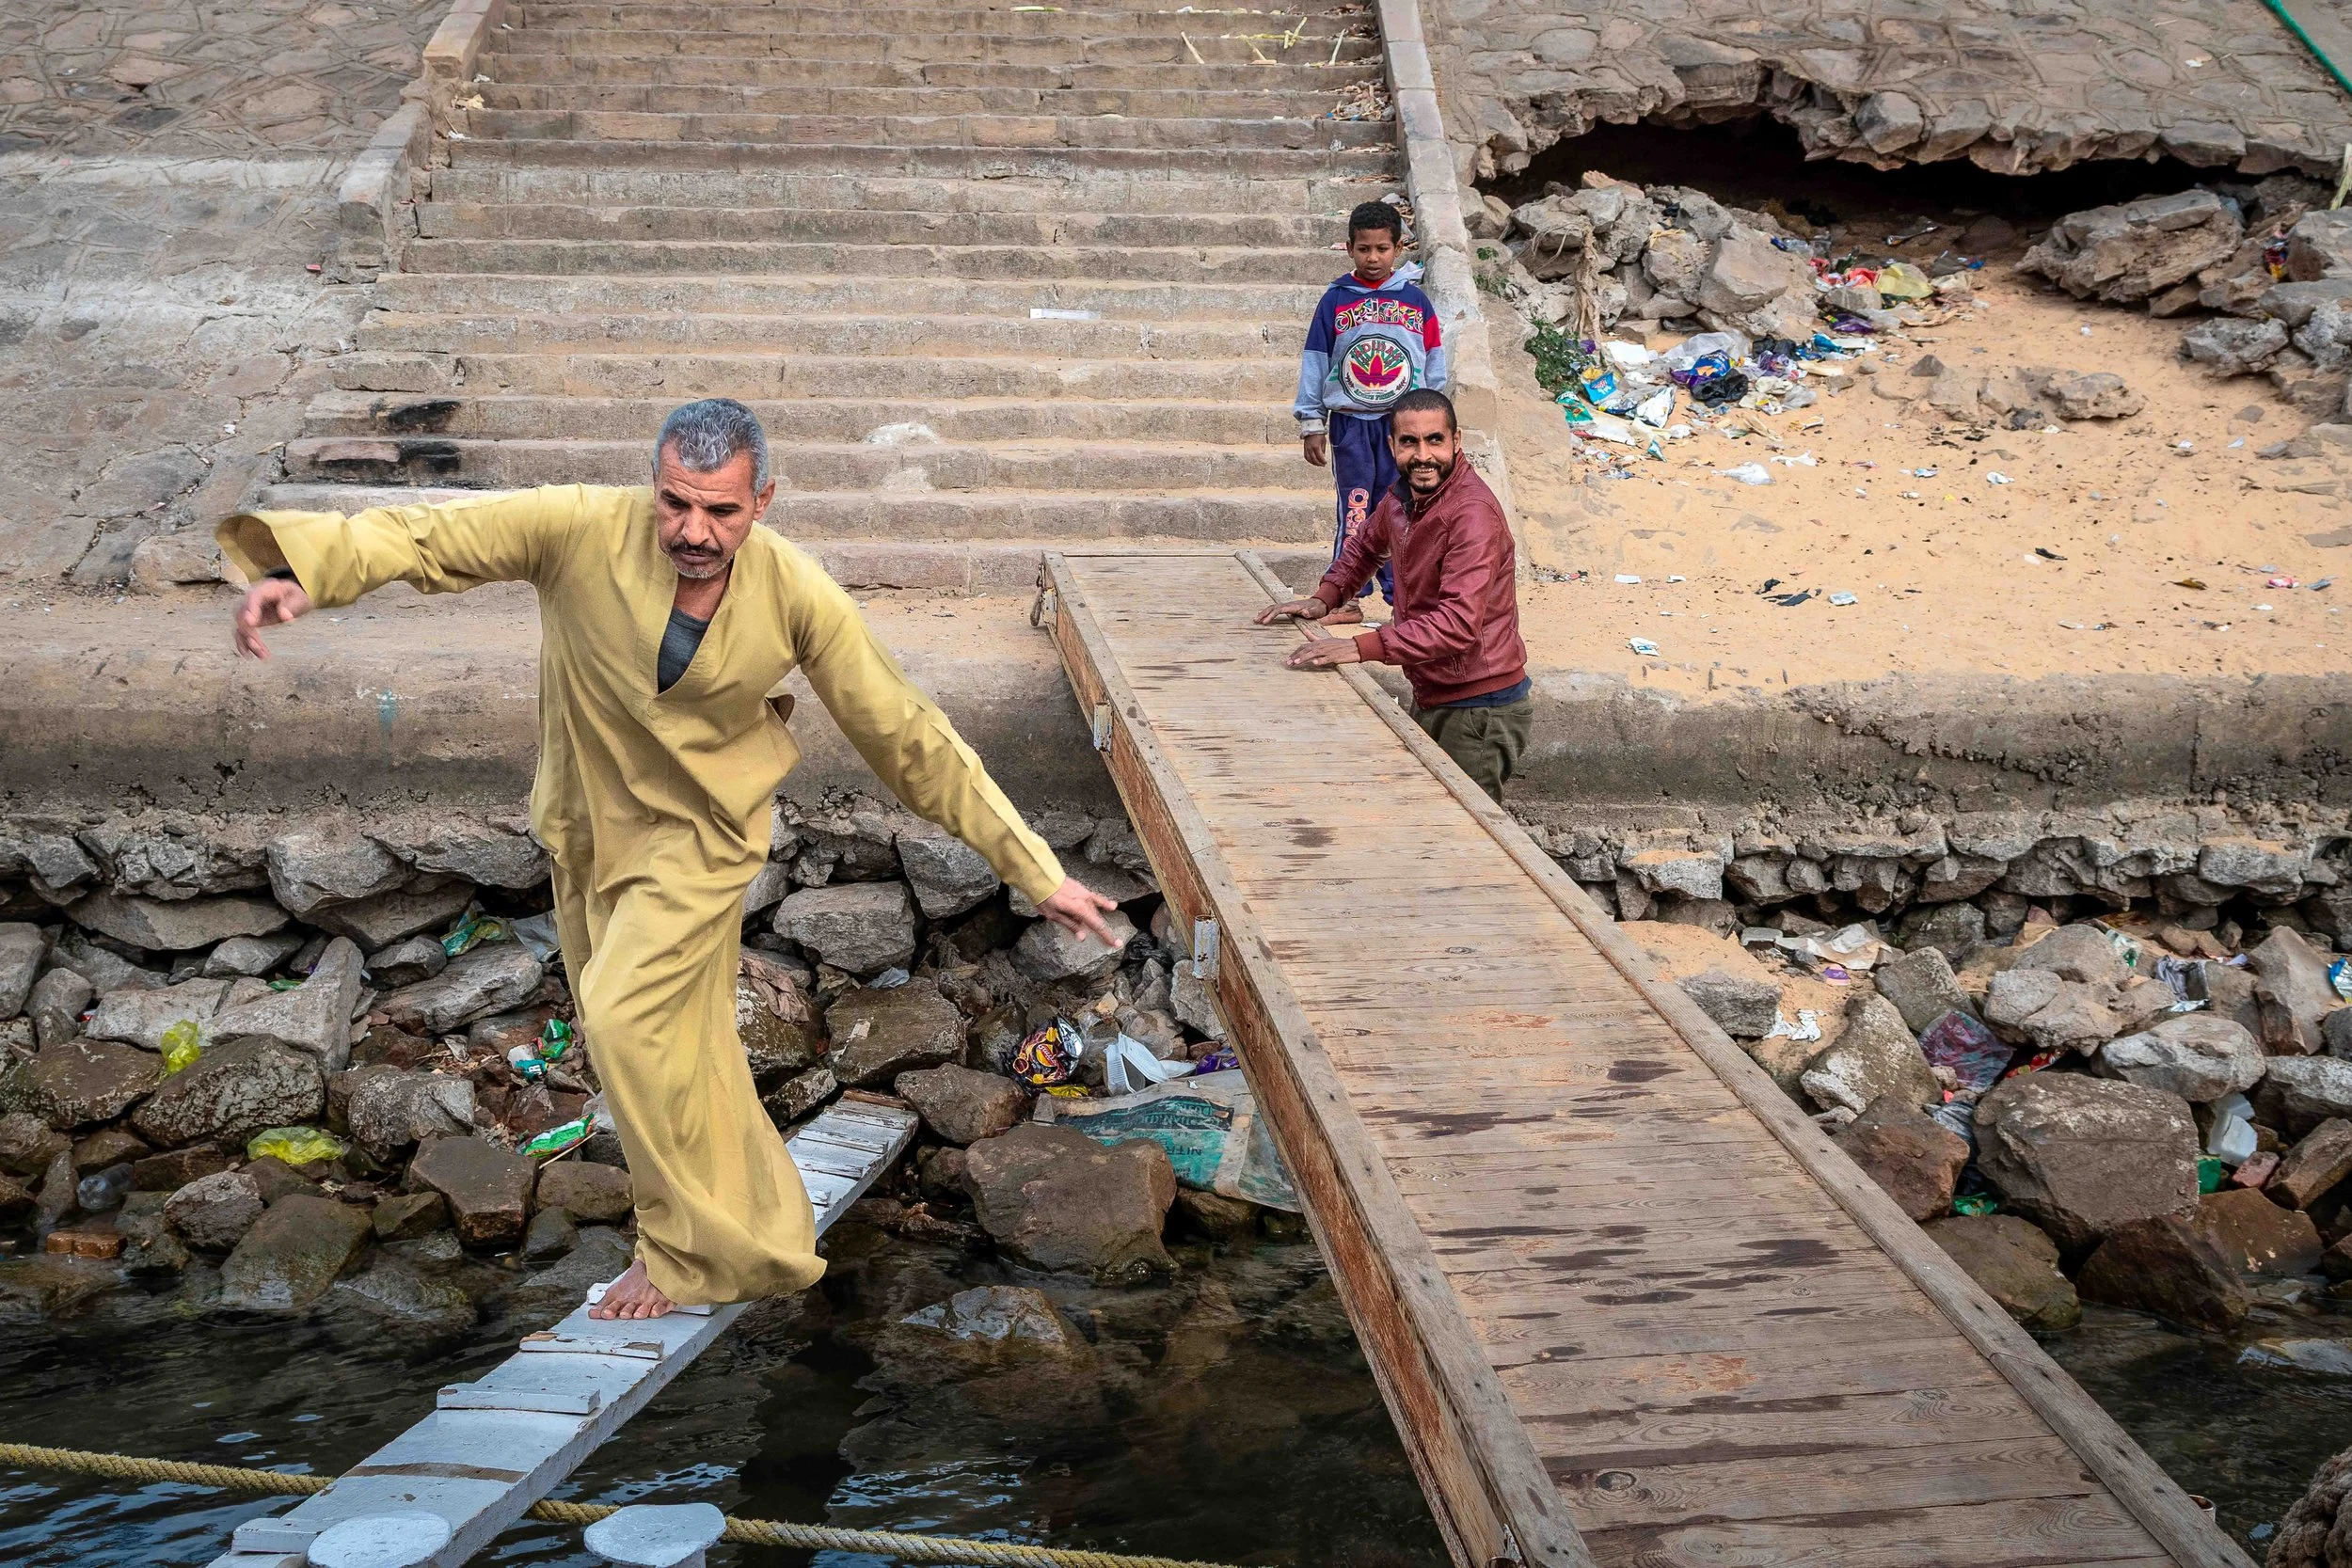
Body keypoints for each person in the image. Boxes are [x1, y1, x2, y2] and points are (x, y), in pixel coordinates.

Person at [219, 398, 1120, 1322]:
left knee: (620, 1015)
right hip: (588, 827)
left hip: (701, 840)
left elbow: (907, 733)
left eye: (721, 510)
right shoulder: (581, 528)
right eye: (675, 503)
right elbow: (427, 535)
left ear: (762, 499)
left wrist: (1033, 867)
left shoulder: (793, 591)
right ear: (652, 485)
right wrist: (307, 574)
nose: (693, 530)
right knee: (671, 1051)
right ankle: (753, 1233)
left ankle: (687, 1259)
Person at [1256, 388, 1532, 802]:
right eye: (1409, 442)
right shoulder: (1401, 498)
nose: (1423, 455)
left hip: (1479, 705)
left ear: (1457, 442)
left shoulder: (1471, 514)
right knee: (1434, 818)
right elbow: (1366, 547)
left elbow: (1457, 627)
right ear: (1392, 446)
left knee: (1461, 837)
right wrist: (1325, 598)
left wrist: (1360, 647)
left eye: (1435, 440)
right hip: (1437, 690)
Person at [1293, 200, 1447, 619]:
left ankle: (1406, 602)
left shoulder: (1416, 302)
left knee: (1404, 509)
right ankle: (1349, 598)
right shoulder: (1336, 300)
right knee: (1357, 506)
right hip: (1350, 426)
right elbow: (1316, 360)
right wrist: (1312, 422)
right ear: (1349, 249)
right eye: (1364, 249)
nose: (1373, 258)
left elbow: (1434, 363)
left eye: (1382, 248)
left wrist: (1433, 424)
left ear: (1398, 248)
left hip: (1403, 427)